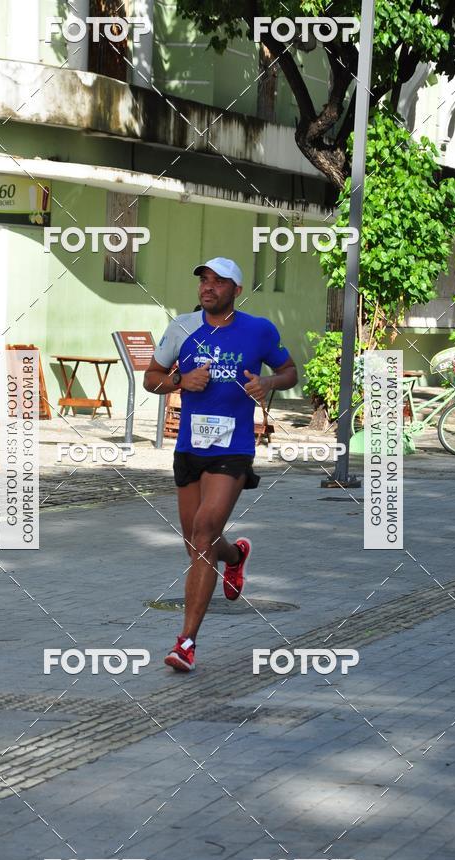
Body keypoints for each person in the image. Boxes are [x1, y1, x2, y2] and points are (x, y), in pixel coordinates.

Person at [144, 257, 298, 672]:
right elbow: (151, 376)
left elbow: (289, 372)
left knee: (205, 528)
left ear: (236, 289)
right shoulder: (182, 327)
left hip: (234, 448)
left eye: (218, 281)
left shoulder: (259, 330)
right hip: (190, 448)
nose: (208, 287)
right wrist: (180, 382)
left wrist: (267, 382)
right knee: (199, 543)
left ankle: (186, 642)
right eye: (204, 280)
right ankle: (234, 557)